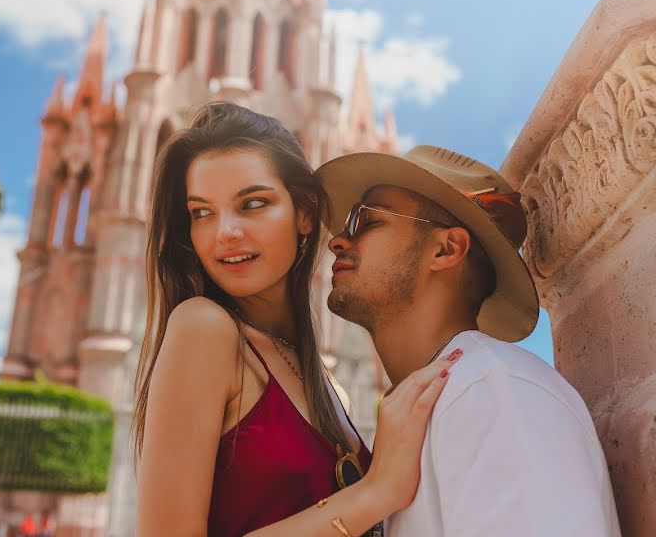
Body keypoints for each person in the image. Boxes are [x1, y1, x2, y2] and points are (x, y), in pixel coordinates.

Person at [132, 102, 460, 536]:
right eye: (201, 212)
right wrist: (376, 490)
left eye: (252, 203)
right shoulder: (203, 328)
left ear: (304, 212)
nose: (224, 232)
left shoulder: (328, 386)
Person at [316, 145, 622, 536]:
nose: (338, 241)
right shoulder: (445, 399)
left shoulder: (492, 391)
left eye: (366, 221)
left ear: (446, 249)